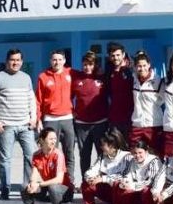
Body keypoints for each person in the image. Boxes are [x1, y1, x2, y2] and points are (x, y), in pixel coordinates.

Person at [0, 48, 37, 200]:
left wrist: (33, 118)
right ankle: (5, 188)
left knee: (31, 157)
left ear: (22, 61)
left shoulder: (26, 78)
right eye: (12, 60)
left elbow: (31, 99)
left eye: (18, 60)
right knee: (5, 159)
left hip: (26, 126)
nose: (15, 62)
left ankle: (27, 187)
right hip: (6, 126)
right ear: (7, 61)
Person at [19, 127, 74, 204]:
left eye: (55, 139)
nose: (54, 141)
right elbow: (34, 175)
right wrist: (32, 184)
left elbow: (59, 179)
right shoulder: (36, 155)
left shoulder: (58, 154)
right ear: (42, 140)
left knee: (53, 188)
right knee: (24, 187)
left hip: (63, 190)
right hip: (48, 188)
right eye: (51, 139)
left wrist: (39, 184)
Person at [36, 49, 76, 181]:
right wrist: (38, 119)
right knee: (51, 153)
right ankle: (52, 181)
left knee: (69, 152)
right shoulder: (43, 76)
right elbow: (38, 100)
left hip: (68, 119)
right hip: (50, 120)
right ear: (50, 61)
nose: (57, 62)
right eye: (54, 59)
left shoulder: (71, 73)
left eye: (59, 59)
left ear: (64, 61)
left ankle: (69, 181)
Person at [78, 129, 130, 204]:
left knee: (117, 184)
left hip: (121, 194)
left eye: (103, 145)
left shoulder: (126, 157)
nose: (101, 147)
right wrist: (90, 178)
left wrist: (103, 178)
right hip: (107, 193)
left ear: (113, 146)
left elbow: (125, 177)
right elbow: (90, 171)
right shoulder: (102, 157)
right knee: (86, 184)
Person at [72, 51, 109, 182]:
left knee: (102, 154)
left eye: (90, 64)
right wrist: (72, 111)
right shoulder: (76, 79)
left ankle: (102, 183)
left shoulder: (103, 78)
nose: (87, 67)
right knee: (84, 154)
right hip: (82, 124)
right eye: (85, 64)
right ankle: (85, 182)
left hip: (100, 123)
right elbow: (69, 97)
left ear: (95, 65)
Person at [118, 139, 162, 204]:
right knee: (122, 189)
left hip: (150, 190)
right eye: (135, 153)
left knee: (146, 190)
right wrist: (125, 182)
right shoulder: (132, 161)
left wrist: (132, 186)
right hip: (136, 188)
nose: (137, 155)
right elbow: (127, 174)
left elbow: (151, 180)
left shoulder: (154, 161)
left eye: (140, 152)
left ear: (146, 151)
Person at [129, 51, 164, 155]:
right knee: (134, 154)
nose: (142, 68)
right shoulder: (133, 79)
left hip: (153, 124)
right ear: (135, 67)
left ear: (149, 65)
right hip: (137, 123)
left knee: (155, 155)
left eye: (144, 65)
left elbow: (165, 100)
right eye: (139, 66)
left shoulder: (157, 81)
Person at [106, 42, 134, 137]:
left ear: (123, 54)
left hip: (130, 117)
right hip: (114, 117)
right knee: (116, 148)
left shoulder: (131, 70)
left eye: (118, 55)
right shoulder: (109, 71)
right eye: (113, 55)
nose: (116, 58)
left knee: (129, 148)